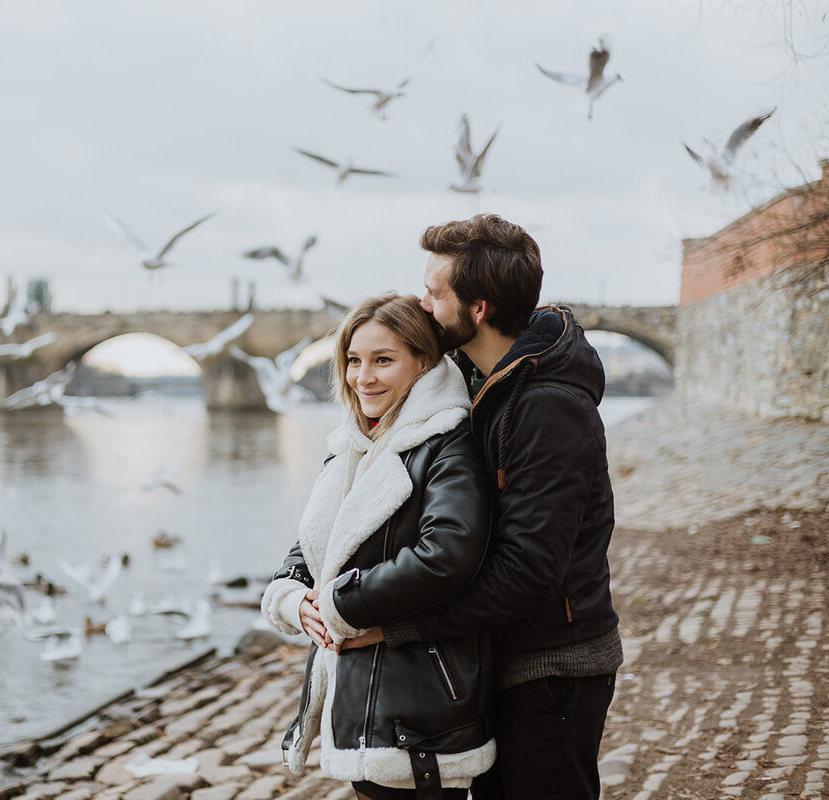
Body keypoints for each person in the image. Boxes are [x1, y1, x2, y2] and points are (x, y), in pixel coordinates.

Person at [343, 213, 621, 800]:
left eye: (435, 292)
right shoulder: (481, 383)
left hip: (553, 666)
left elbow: (529, 574)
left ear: (479, 309)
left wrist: (401, 627)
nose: (422, 303)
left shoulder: (547, 408)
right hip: (502, 654)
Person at [261, 293, 496, 800]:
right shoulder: (352, 444)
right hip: (365, 698)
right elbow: (319, 543)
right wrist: (293, 597)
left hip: (419, 702)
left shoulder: (447, 443)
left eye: (382, 360)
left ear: (425, 363)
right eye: (352, 360)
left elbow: (447, 554)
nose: (361, 377)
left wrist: (338, 604)